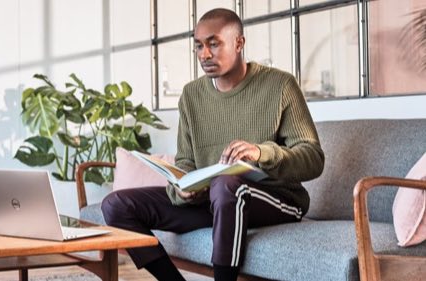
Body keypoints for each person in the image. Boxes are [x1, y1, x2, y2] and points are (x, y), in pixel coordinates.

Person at [101, 8, 324, 281]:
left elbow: (313, 158)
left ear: (239, 43)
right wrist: (182, 189)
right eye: (199, 46)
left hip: (278, 200)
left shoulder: (280, 85)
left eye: (214, 44)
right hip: (216, 200)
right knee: (117, 205)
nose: (204, 54)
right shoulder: (191, 95)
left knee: (226, 184)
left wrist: (260, 152)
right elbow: (185, 162)